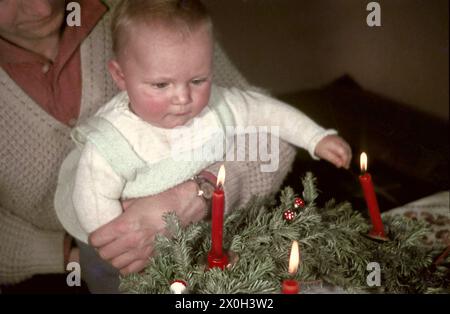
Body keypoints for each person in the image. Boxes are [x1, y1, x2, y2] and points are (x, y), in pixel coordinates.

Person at [0, 0, 299, 292]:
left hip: (220, 249)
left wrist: (198, 195)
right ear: (119, 74)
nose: (42, 7)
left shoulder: (147, 13)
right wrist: (76, 253)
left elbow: (273, 132)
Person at [54, 0, 352, 292]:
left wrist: (316, 137)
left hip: (195, 234)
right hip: (121, 257)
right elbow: (92, 201)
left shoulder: (217, 106)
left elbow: (266, 111)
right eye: (161, 85)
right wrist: (129, 253)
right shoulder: (112, 140)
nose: (183, 98)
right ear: (121, 76)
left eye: (198, 80)